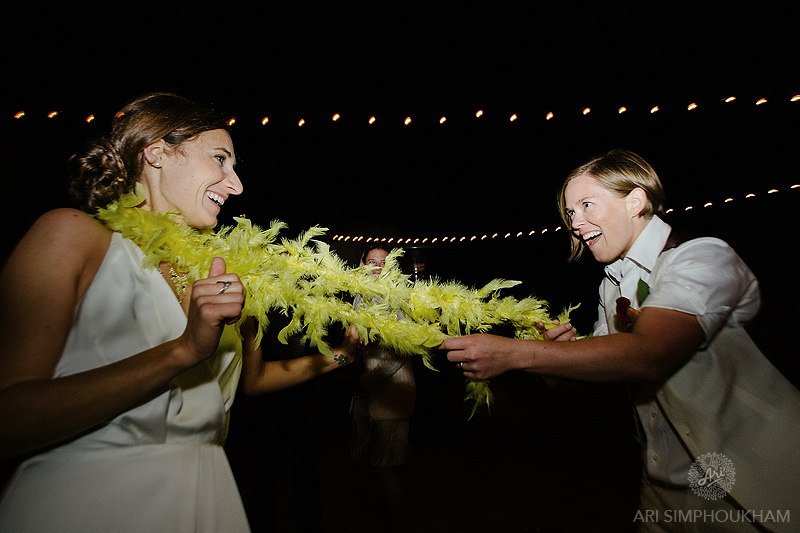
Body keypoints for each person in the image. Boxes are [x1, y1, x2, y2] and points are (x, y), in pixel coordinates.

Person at [0, 92, 360, 532]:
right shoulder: (72, 235)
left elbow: (252, 380)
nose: (236, 185)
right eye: (220, 160)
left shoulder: (222, 272)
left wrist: (342, 355)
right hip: (90, 500)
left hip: (205, 493)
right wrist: (184, 350)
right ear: (156, 153)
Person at [441, 149, 800, 532]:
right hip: (660, 485)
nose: (576, 223)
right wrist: (564, 353)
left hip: (751, 481)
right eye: (571, 213)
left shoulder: (702, 257)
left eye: (586, 205)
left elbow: (648, 353)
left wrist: (516, 354)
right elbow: (610, 374)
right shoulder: (612, 283)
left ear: (635, 200)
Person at [350, 244, 416, 533]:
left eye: (383, 262)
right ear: (362, 264)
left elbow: (403, 349)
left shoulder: (400, 299)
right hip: (361, 397)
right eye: (371, 261)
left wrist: (366, 382)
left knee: (385, 469)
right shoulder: (356, 296)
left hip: (392, 396)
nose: (377, 266)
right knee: (361, 463)